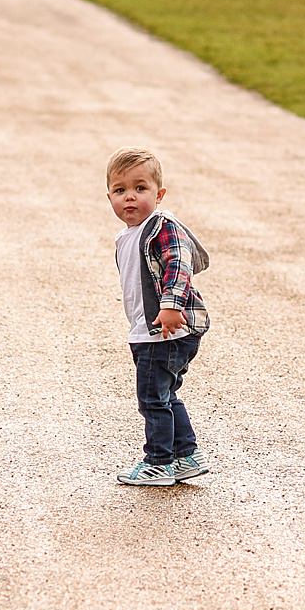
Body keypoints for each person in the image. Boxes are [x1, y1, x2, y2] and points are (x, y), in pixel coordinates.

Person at [105, 148, 212, 486]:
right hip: (149, 330)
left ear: (158, 193)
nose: (130, 197)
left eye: (140, 188)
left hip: (165, 330)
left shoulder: (161, 226)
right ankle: (184, 456)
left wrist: (171, 306)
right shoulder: (126, 236)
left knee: (152, 398)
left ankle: (159, 461)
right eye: (120, 190)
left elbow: (178, 265)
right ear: (109, 196)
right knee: (165, 395)